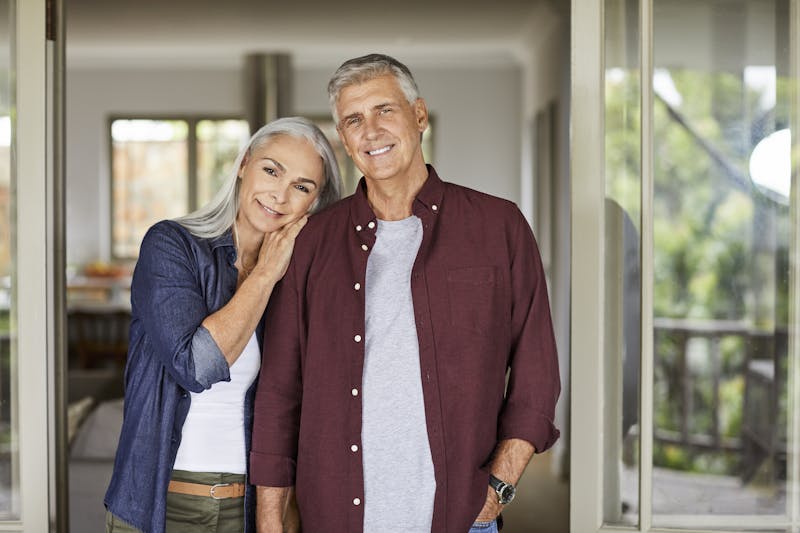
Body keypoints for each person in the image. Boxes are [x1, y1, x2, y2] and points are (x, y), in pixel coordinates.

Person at [250, 54, 561, 533]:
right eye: (354, 120)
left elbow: (537, 370)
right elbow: (279, 391)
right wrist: (271, 519)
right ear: (344, 139)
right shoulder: (310, 242)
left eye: (384, 110)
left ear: (419, 115)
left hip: (460, 518)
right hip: (334, 517)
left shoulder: (498, 227)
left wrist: (498, 486)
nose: (371, 131)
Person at [103, 116, 342, 533]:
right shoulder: (171, 245)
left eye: (302, 187)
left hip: (249, 508)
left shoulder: (300, 282)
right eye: (272, 170)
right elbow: (196, 366)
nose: (280, 195)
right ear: (244, 164)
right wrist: (265, 274)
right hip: (159, 505)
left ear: (314, 204)